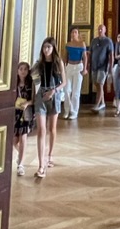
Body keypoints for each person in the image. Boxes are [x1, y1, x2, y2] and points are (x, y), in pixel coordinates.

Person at [33, 38, 64, 178]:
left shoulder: (58, 63)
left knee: (52, 129)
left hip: (54, 95)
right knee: (41, 129)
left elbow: (64, 82)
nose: (46, 50)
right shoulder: (39, 63)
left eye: (49, 47)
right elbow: (31, 76)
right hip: (41, 95)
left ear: (53, 48)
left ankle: (50, 155)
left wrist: (53, 91)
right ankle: (41, 165)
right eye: (44, 47)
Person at [89, 22, 115, 112]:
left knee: (100, 84)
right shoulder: (94, 41)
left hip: (103, 66)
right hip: (94, 66)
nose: (100, 31)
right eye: (99, 29)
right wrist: (88, 64)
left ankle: (97, 105)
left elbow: (111, 55)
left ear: (105, 30)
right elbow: (90, 53)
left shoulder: (108, 41)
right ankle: (102, 103)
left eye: (101, 29)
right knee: (97, 84)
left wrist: (110, 68)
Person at [14, 60, 34, 174]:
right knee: (14, 141)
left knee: (23, 138)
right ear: (17, 71)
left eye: (25, 69)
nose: (23, 71)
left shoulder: (30, 84)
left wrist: (27, 103)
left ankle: (20, 164)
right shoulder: (14, 84)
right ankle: (21, 154)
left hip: (26, 113)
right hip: (15, 114)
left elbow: (34, 99)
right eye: (21, 69)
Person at [63, 26, 86, 119]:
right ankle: (67, 110)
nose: (73, 34)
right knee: (67, 90)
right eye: (72, 32)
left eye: (75, 32)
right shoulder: (68, 44)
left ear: (78, 34)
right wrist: (63, 68)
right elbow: (65, 56)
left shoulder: (82, 44)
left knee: (76, 91)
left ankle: (74, 112)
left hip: (78, 67)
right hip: (69, 66)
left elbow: (85, 57)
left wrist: (84, 69)